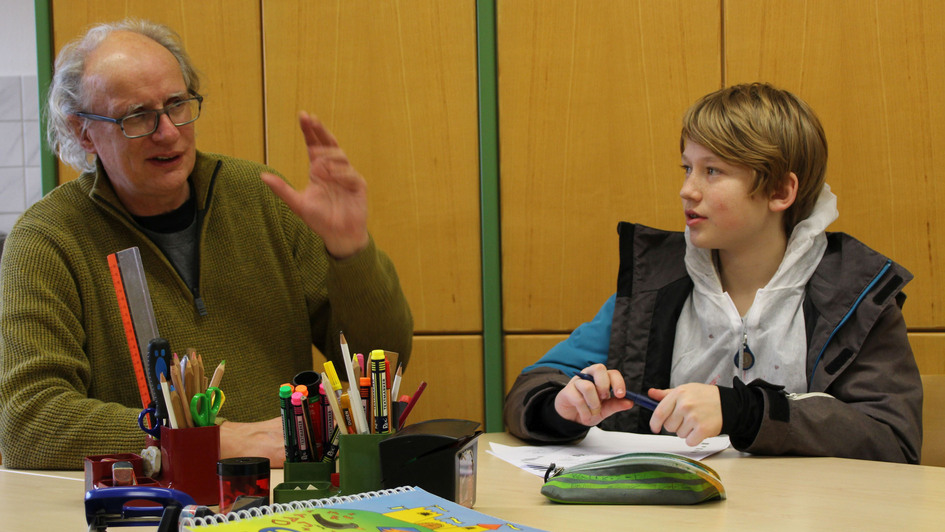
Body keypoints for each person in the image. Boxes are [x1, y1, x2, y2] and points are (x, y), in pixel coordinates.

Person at [0, 19, 413, 469]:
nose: (168, 132)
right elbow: (29, 421)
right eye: (137, 115)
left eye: (177, 104)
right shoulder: (47, 239)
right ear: (83, 132)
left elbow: (382, 363)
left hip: (286, 493)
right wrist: (205, 440)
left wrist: (351, 252)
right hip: (151, 502)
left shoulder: (260, 199)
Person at [504, 83, 922, 464]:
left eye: (713, 171)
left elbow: (892, 441)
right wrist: (562, 407)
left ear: (780, 191)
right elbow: (531, 387)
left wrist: (746, 412)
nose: (688, 189)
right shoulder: (655, 285)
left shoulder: (858, 295)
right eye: (687, 168)